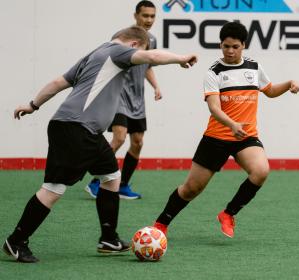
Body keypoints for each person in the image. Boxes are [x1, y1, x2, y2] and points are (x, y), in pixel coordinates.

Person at [3, 26, 197, 263]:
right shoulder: (118, 52)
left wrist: (33, 105)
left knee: (111, 177)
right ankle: (16, 241)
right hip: (76, 130)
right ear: (135, 45)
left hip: (81, 131)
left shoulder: (94, 54)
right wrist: (181, 58)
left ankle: (109, 239)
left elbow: (57, 82)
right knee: (54, 189)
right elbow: (152, 57)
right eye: (141, 50)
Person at [152, 22, 299, 238]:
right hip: (217, 137)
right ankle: (161, 224)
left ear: (243, 46)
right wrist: (232, 125)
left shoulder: (254, 68)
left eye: (235, 47)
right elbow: (214, 108)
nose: (230, 51)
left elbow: (270, 91)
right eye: (225, 46)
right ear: (221, 45)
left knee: (261, 171)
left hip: (246, 137)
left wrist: (289, 84)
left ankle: (228, 213)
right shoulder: (214, 72)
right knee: (192, 189)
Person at [85, 0, 161, 200]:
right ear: (136, 15)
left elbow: (149, 66)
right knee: (119, 138)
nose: (149, 20)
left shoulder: (152, 40)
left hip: (138, 101)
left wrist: (156, 86)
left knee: (137, 142)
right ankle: (97, 181)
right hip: (118, 97)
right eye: (145, 15)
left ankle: (124, 185)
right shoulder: (122, 37)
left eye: (152, 16)